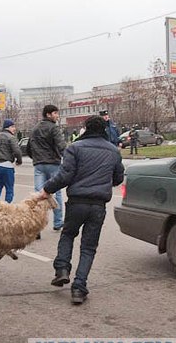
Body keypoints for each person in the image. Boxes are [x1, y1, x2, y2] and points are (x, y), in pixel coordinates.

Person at [38, 115, 124, 305]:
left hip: (77, 202)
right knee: (88, 247)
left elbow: (65, 176)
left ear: (85, 129)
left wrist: (46, 190)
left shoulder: (75, 148)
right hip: (98, 205)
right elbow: (118, 178)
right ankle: (79, 288)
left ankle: (61, 269)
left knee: (68, 235)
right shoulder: (113, 151)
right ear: (104, 130)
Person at [26, 105, 66, 236]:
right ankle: (58, 222)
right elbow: (61, 146)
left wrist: (36, 158)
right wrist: (68, 159)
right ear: (48, 114)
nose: (57, 115)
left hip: (39, 165)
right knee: (57, 193)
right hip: (53, 164)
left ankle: (36, 227)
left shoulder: (34, 129)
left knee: (39, 195)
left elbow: (28, 148)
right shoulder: (54, 128)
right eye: (55, 113)